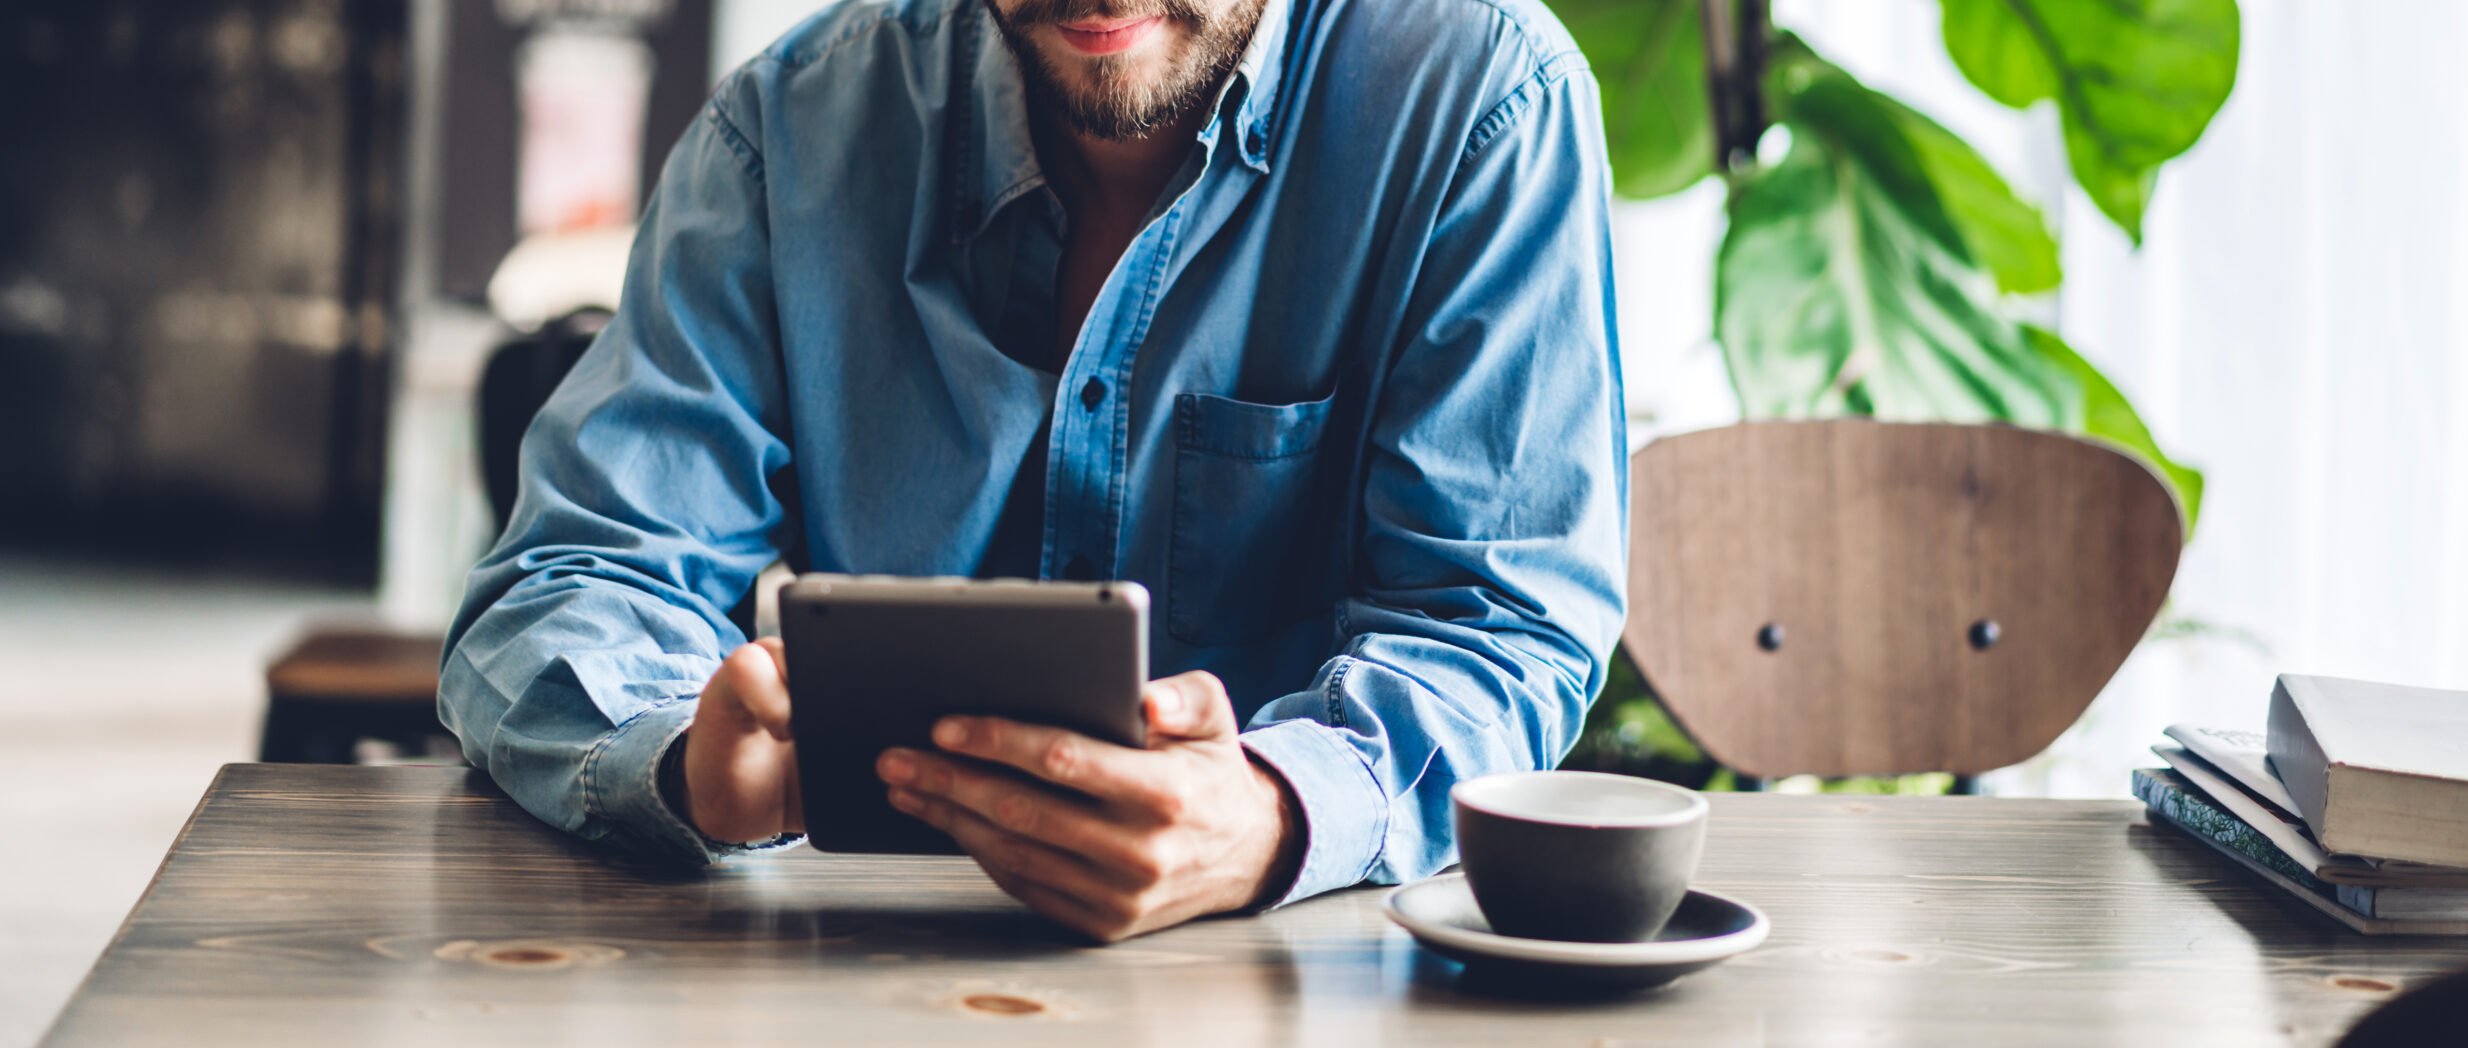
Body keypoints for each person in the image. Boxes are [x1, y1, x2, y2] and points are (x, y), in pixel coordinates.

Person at [439, 0, 1625, 942]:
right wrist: (678, 763)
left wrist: (1275, 805)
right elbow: (572, 573)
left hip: (1314, 965)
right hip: (861, 965)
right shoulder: (790, 130)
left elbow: (1499, 620)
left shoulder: (1483, 101)